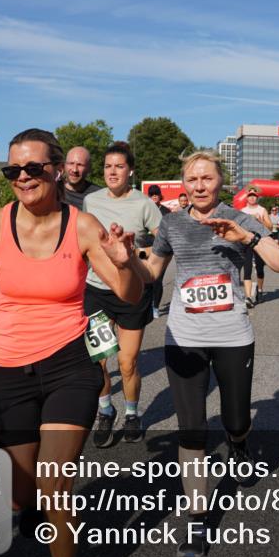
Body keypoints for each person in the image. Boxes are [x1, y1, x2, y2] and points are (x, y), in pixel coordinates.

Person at [0, 128, 141, 557]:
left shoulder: (82, 226)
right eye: (14, 170)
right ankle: (37, 509)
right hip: (8, 368)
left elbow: (129, 294)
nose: (23, 177)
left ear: (55, 170)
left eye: (33, 168)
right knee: (21, 494)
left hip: (69, 364)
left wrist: (125, 260)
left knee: (55, 482)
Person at [130, 151, 279, 557]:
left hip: (232, 334)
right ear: (183, 185)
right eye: (192, 179)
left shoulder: (239, 219)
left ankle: (239, 444)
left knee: (236, 419)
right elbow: (151, 273)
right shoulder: (171, 222)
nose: (199, 185)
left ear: (221, 182)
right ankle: (198, 519)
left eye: (206, 178)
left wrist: (248, 238)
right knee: (192, 429)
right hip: (184, 334)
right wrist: (125, 258)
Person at [84, 142, 162, 447]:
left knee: (127, 362)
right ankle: (105, 410)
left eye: (119, 166)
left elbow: (163, 242)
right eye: (107, 166)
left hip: (132, 293)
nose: (112, 172)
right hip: (97, 291)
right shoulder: (90, 202)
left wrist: (137, 255)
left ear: (130, 170)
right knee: (99, 361)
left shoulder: (144, 204)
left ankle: (132, 413)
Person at [239, 186, 272, 308]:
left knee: (259, 269)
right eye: (250, 196)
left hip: (260, 242)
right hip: (247, 243)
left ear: (256, 198)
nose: (252, 198)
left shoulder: (262, 210)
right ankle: (248, 297)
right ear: (247, 198)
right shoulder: (242, 211)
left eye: (254, 196)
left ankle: (260, 290)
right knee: (247, 270)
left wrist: (261, 220)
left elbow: (269, 227)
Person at [147, 185, 171, 318]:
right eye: (152, 194)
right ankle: (146, 304)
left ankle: (155, 306)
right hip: (144, 249)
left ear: (160, 196)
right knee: (145, 279)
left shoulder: (166, 211)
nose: (154, 196)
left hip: (162, 250)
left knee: (157, 279)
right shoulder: (145, 210)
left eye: (156, 194)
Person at [61, 146, 103, 210]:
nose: (75, 170)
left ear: (89, 168)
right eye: (71, 163)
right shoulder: (52, 191)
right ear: (64, 165)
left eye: (80, 165)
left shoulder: (98, 195)